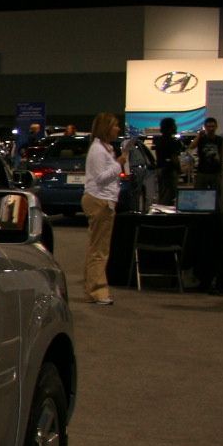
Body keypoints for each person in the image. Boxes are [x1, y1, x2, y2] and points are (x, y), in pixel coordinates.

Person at [80, 111, 125, 305]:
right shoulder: (98, 150)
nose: (118, 129)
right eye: (115, 125)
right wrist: (119, 165)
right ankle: (97, 291)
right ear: (106, 128)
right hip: (100, 201)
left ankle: (92, 287)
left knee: (97, 248)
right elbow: (100, 178)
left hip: (104, 200)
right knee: (99, 250)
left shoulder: (105, 149)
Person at [154, 116, 182, 205]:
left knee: (162, 193)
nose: (176, 127)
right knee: (170, 195)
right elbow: (174, 158)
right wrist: (179, 169)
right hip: (169, 171)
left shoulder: (159, 140)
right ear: (170, 127)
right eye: (174, 125)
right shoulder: (172, 141)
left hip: (160, 169)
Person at [191, 116, 223, 192]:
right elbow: (192, 146)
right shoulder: (201, 139)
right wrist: (199, 136)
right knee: (199, 193)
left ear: (216, 127)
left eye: (213, 126)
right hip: (202, 171)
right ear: (205, 127)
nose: (211, 129)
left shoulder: (219, 140)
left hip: (216, 172)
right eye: (208, 126)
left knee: (216, 194)